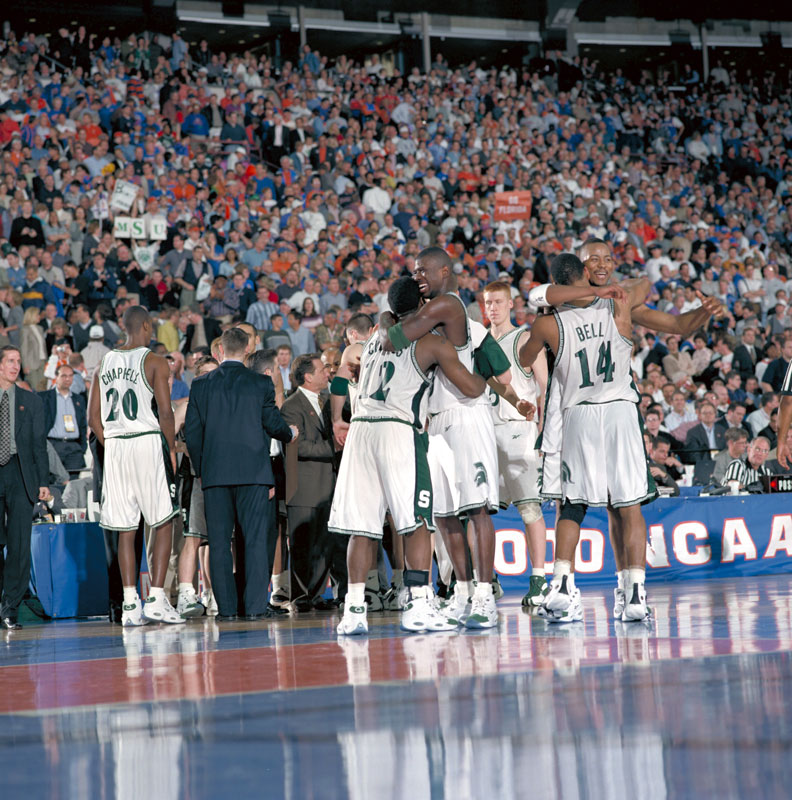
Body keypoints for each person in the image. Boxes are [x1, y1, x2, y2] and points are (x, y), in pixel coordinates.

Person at [330, 277, 486, 635]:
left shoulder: (373, 338)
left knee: (362, 527)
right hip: (398, 430)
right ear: (422, 305)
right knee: (417, 522)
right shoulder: (430, 342)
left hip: (361, 430)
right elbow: (470, 387)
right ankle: (418, 603)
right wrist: (482, 374)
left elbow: (386, 326)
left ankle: (354, 610)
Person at [379, 247, 511, 629]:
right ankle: (462, 592)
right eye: (414, 272)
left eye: (424, 270)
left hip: (465, 415)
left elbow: (392, 338)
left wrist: (386, 317)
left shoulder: (448, 305)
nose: (417, 276)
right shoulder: (428, 311)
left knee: (476, 510)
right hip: (436, 420)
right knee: (445, 516)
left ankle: (485, 595)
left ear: (445, 272)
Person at [520, 254, 654, 623]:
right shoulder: (616, 302)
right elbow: (644, 285)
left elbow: (525, 357)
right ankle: (635, 594)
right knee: (629, 505)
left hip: (578, 413)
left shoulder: (548, 321)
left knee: (572, 503)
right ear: (584, 273)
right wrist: (606, 287)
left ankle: (563, 585)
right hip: (619, 410)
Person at [184, 327, 298, 620]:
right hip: (254, 475)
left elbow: (193, 434)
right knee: (256, 542)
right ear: (248, 349)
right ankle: (255, 607)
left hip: (215, 476)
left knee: (220, 544)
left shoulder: (200, 384)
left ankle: (227, 609)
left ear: (220, 350)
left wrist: (202, 470)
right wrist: (290, 433)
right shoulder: (260, 382)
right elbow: (272, 423)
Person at [87, 306, 183, 626]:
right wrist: (170, 449)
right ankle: (156, 598)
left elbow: (92, 419)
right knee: (163, 519)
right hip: (146, 442)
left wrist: (114, 444)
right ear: (145, 326)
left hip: (115, 445)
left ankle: (130, 604)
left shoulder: (104, 363)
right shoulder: (155, 361)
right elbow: (166, 413)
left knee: (125, 529)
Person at [482, 280, 549, 607]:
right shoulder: (478, 341)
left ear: (510, 304)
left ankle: (539, 579)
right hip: (484, 431)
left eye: (497, 302)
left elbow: (545, 386)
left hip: (519, 430)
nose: (492, 308)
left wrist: (543, 430)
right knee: (478, 511)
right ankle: (487, 578)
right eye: (487, 302)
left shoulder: (523, 339)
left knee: (529, 507)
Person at [281, 353, 343, 611]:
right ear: (307, 377)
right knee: (303, 545)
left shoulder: (329, 402)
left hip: (328, 486)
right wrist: (334, 446)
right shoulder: (291, 406)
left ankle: (316, 595)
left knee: (324, 544)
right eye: (321, 370)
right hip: (304, 487)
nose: (327, 373)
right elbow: (299, 446)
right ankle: (301, 597)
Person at [0, 346, 48, 629]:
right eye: (10, 361)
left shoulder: (31, 401)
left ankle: (10, 608)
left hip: (21, 474)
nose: (15, 366)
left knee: (19, 545)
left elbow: (39, 445)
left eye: (18, 361)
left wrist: (43, 482)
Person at [40, 363, 87, 475]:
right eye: (64, 376)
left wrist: (82, 447)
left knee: (74, 482)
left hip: (74, 448)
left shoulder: (79, 399)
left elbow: (82, 425)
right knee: (53, 481)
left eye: (70, 376)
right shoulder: (44, 397)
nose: (67, 379)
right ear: (56, 377)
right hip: (54, 445)